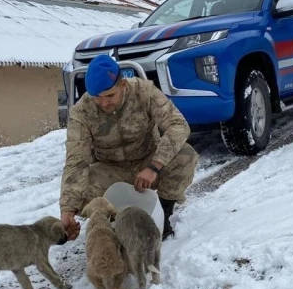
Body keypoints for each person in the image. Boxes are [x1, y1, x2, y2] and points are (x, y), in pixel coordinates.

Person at [60, 55, 198, 241]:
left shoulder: (144, 91)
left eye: (110, 95)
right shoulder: (81, 112)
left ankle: (163, 214)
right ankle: (116, 221)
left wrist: (154, 166)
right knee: (83, 189)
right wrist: (67, 210)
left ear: (122, 84)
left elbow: (179, 126)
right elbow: (76, 162)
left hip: (147, 160)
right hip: (110, 169)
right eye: (97, 98)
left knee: (185, 155)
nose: (104, 103)